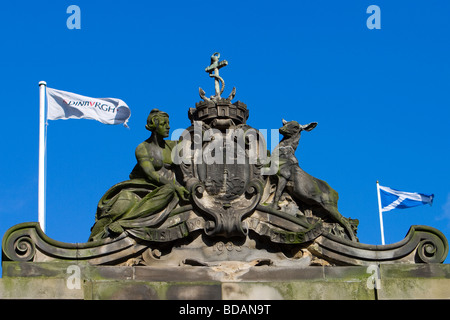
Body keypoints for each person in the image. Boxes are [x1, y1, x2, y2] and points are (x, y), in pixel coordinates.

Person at [89, 109, 189, 241]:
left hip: (170, 189)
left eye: (168, 123)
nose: (168, 126)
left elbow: (193, 141)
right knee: (166, 191)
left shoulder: (173, 146)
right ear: (154, 125)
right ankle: (123, 223)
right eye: (164, 123)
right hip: (149, 187)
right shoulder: (143, 148)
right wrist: (175, 186)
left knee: (169, 190)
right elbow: (151, 173)